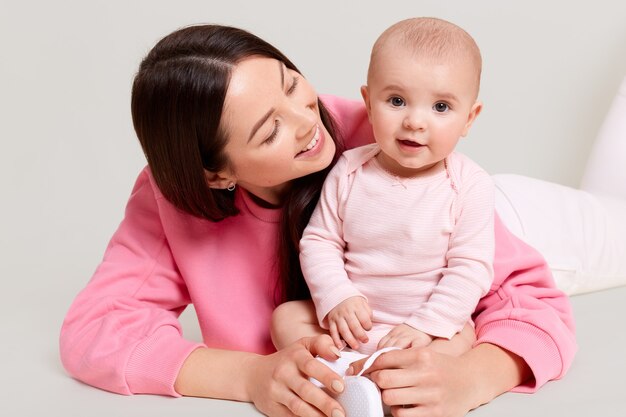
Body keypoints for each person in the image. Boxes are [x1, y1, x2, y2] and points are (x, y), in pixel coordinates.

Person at [57, 21, 623, 417]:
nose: (307, 122)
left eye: (291, 84)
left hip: (513, 224)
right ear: (214, 174)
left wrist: (473, 379)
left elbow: (529, 297)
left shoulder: (384, 138)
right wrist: (249, 377)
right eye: (268, 130)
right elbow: (94, 332)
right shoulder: (169, 198)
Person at [273, 18, 494, 362]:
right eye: (396, 100)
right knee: (286, 318)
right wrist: (338, 297)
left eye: (441, 107)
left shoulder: (468, 184)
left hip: (423, 330)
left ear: (469, 118)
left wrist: (427, 326)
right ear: (369, 103)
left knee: (462, 337)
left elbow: (471, 268)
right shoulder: (349, 169)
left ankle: (396, 378)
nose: (415, 122)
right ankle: (345, 374)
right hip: (352, 324)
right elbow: (319, 241)